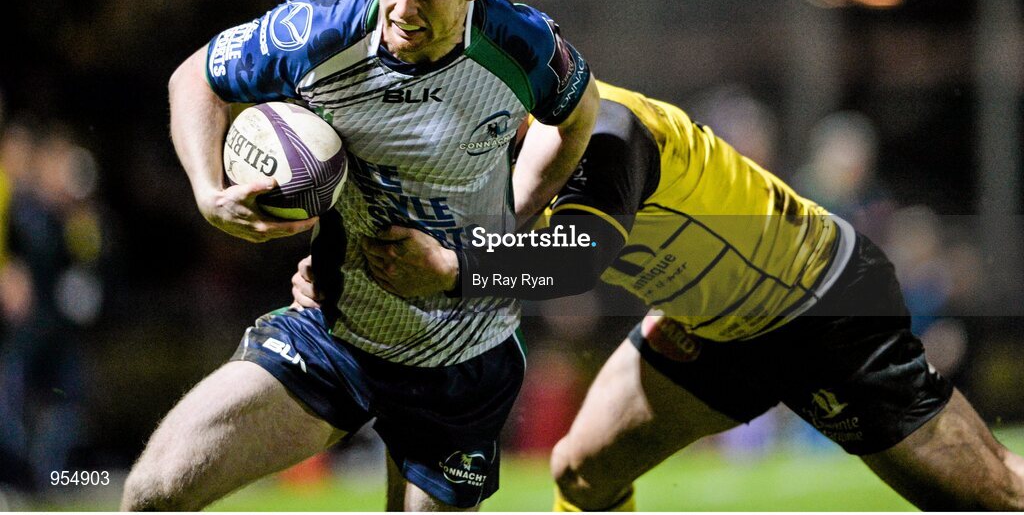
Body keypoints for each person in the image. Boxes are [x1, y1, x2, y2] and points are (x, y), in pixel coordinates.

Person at [294, 80, 1024, 511]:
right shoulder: (489, 163)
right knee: (583, 468)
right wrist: (334, 270)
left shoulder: (607, 130)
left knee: (988, 495)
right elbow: (421, 235)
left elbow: (575, 261)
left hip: (818, 302)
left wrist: (454, 272)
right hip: (707, 323)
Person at [121, 0, 599, 512]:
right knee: (154, 489)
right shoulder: (319, 37)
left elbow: (577, 118)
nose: (401, 10)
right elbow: (193, 79)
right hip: (335, 332)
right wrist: (208, 191)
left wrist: (501, 232)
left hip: (465, 356)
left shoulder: (522, 46)